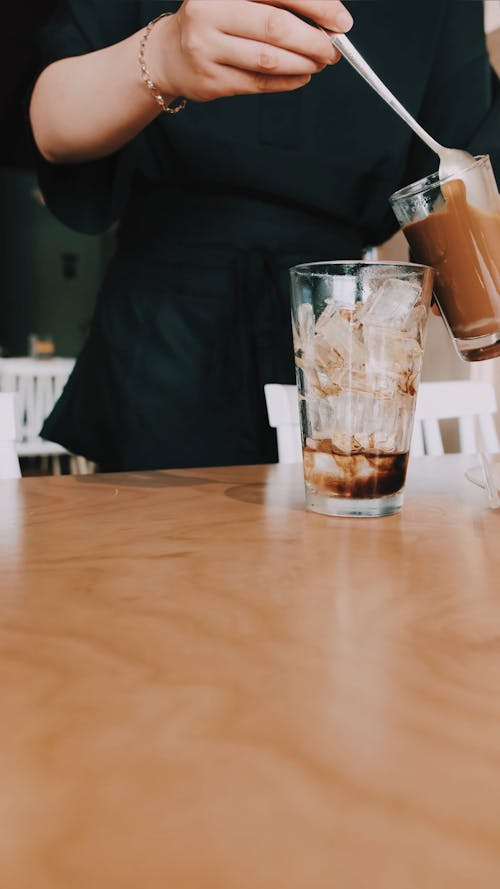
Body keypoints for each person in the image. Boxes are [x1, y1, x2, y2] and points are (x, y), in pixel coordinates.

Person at [29, 0, 500, 472]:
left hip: (338, 339)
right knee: (155, 540)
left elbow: (465, 166)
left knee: (336, 538)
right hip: (161, 334)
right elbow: (51, 124)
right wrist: (165, 56)